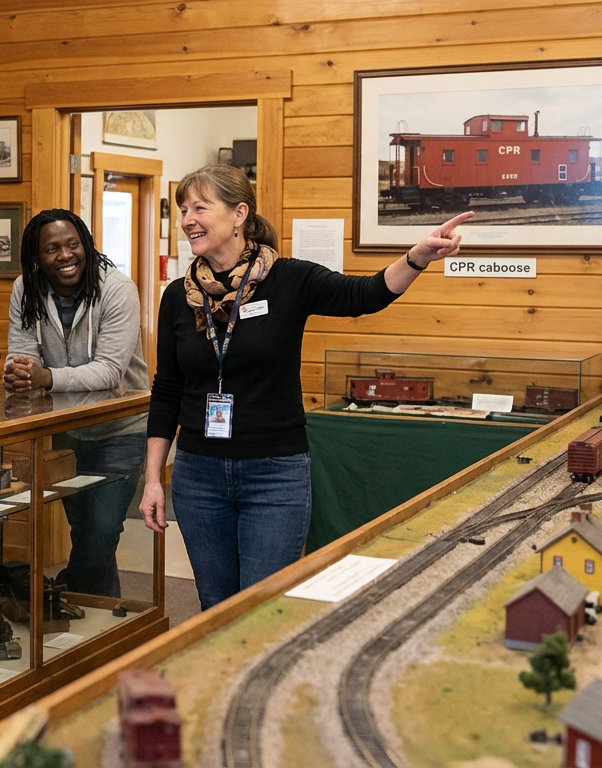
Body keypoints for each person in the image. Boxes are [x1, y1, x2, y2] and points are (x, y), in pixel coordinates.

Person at [140, 164, 473, 610]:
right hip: (198, 475)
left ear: (239, 214)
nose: (187, 220)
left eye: (200, 207)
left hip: (273, 475)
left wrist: (416, 258)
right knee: (214, 607)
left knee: (265, 607)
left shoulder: (289, 279)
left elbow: (365, 294)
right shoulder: (178, 296)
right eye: (183, 209)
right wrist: (152, 480)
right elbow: (167, 390)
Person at [3, 209, 149, 597]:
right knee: (84, 529)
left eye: (73, 244)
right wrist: (16, 372)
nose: (65, 255)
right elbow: (20, 353)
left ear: (86, 245)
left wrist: (45, 377)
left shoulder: (118, 288)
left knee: (103, 529)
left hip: (122, 428)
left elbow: (109, 372)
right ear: (37, 258)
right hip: (66, 427)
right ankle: (101, 619)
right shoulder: (25, 288)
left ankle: (64, 590)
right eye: (52, 248)